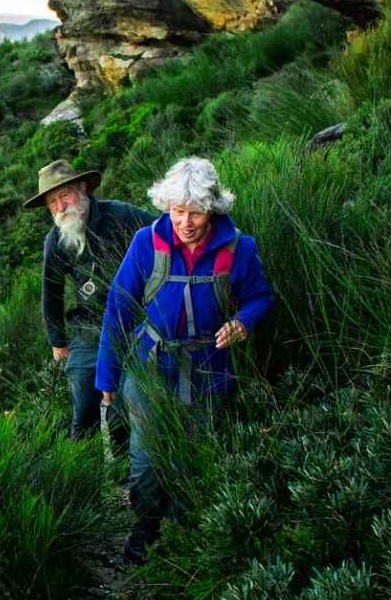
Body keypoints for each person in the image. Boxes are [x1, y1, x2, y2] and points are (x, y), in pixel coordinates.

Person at [95, 157, 275, 564]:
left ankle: (177, 532)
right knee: (144, 458)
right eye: (177, 211)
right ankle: (144, 528)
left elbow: (261, 296)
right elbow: (118, 309)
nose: (186, 222)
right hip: (149, 365)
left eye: (195, 212)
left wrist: (243, 322)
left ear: (212, 209)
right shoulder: (147, 242)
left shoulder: (239, 249)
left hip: (209, 368)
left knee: (190, 453)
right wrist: (107, 374)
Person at [25, 159, 155, 446]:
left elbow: (161, 233)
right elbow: (52, 292)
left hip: (132, 321)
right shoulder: (56, 240)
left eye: (65, 195)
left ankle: (124, 470)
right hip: (89, 328)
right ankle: (82, 472)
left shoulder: (120, 215)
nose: (60, 207)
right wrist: (58, 341)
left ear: (82, 189)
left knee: (124, 401)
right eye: (52, 202)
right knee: (84, 399)